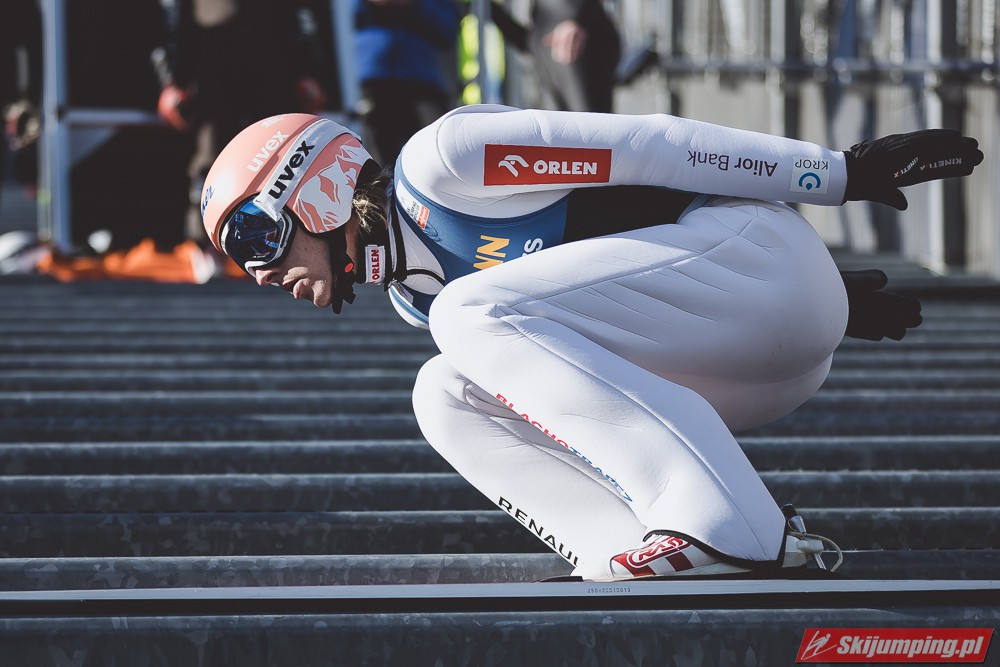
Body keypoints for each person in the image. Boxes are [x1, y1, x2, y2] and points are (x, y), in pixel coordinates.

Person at [199, 106, 981, 580]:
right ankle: (627, 552)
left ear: (314, 186)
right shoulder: (415, 297)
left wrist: (834, 174)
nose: (260, 273)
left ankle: (725, 524)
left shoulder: (442, 163)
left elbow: (653, 147)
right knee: (441, 391)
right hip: (735, 345)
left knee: (465, 318)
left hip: (760, 261)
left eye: (255, 237)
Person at [353, 0, 461, 167]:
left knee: (439, 150)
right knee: (375, 163)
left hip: (423, 83)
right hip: (370, 82)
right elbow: (336, 19)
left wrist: (415, 5)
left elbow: (447, 29)